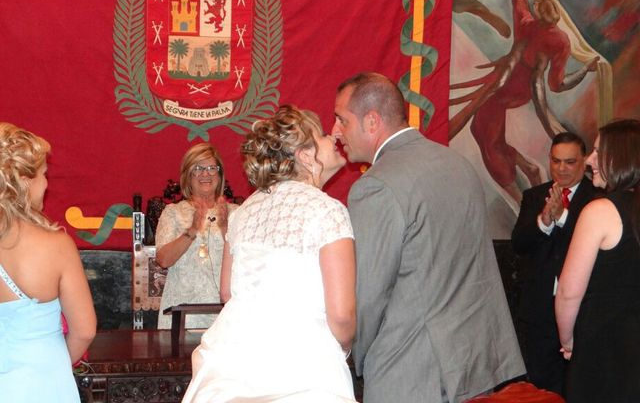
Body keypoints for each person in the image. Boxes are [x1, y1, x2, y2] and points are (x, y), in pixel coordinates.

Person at [332, 73, 525, 403]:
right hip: (475, 362)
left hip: (411, 370)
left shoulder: (375, 186)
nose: (336, 131)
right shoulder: (458, 164)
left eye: (341, 120)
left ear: (372, 121)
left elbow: (368, 294)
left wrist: (350, 354)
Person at [182, 105, 357, 402]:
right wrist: (338, 348)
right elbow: (341, 316)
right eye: (324, 136)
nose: (333, 138)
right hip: (305, 366)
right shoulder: (328, 210)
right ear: (305, 156)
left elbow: (227, 292)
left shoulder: (245, 211)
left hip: (233, 362)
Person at [449, 0, 599, 203]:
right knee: (482, 132)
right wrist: (583, 71)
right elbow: (559, 84)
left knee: (486, 137)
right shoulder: (557, 39)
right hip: (509, 87)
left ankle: (520, 195)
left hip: (507, 90)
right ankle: (528, 171)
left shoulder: (528, 24)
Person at [0, 122, 96, 402]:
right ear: (24, 181)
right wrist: (52, 366)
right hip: (44, 382)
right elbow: (85, 330)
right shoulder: (56, 246)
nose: (46, 183)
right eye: (44, 175)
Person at [556, 119, 640, 402]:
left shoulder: (600, 211)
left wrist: (567, 340)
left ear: (618, 157)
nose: (590, 160)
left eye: (596, 151)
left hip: (604, 349)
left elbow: (568, 292)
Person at [511, 132, 599, 395]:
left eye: (570, 162)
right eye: (556, 161)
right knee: (541, 389)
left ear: (583, 161)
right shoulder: (535, 196)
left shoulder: (598, 197)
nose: (561, 168)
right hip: (540, 314)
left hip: (583, 313)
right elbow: (519, 243)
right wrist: (545, 221)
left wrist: (563, 217)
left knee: (579, 388)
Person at [155, 143, 235, 329]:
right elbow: (164, 260)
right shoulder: (173, 212)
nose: (205, 174)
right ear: (187, 176)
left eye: (211, 168)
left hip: (225, 317)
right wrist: (192, 230)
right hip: (182, 317)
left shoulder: (236, 212)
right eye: (198, 168)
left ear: (220, 174)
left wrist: (225, 229)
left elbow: (248, 262)